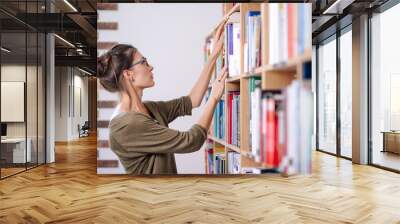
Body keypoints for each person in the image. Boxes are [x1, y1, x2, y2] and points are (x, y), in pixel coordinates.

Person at [97, 21, 228, 175]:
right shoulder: (126, 125)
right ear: (128, 74)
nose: (150, 66)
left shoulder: (149, 108)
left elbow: (191, 101)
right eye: (144, 62)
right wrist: (213, 99)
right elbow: (191, 141)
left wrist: (213, 56)